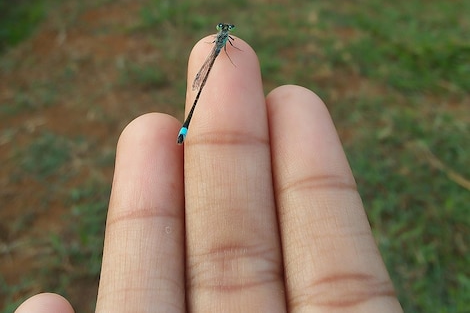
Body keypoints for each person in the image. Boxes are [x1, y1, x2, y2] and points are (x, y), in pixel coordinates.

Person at [16, 35, 403, 312]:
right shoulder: (221, 45)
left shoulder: (225, 44)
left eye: (225, 33)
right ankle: (187, 129)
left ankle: (187, 129)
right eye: (225, 32)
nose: (225, 34)